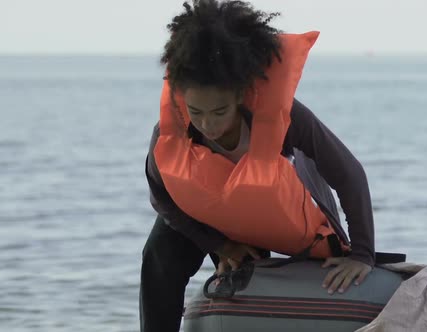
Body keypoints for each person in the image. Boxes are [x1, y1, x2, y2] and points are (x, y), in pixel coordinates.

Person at [140, 1, 375, 331]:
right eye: (197, 111)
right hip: (214, 221)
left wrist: (363, 254)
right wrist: (220, 247)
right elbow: (162, 198)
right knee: (159, 251)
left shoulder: (286, 118)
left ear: (240, 95)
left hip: (277, 218)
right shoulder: (171, 133)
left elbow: (349, 174)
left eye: (219, 112)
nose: (207, 123)